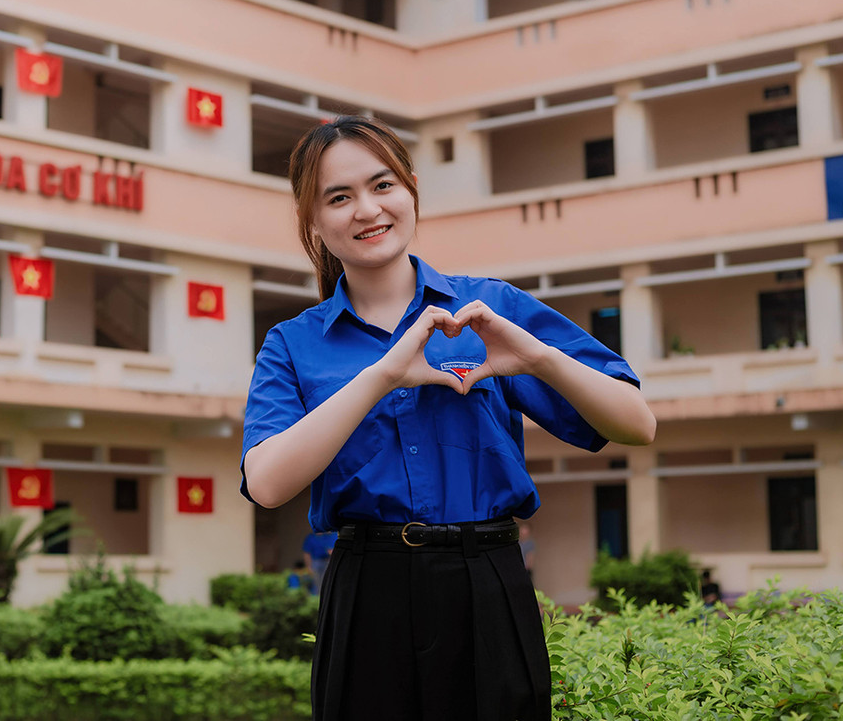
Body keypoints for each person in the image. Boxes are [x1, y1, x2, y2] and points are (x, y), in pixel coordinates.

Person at [240, 116, 656, 721]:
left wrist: (535, 357)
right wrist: (383, 374)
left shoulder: (489, 311)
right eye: (339, 197)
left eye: (382, 186)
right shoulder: (293, 344)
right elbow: (269, 483)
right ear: (313, 221)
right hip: (366, 591)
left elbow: (636, 424)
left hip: (485, 581)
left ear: (410, 190)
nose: (366, 210)